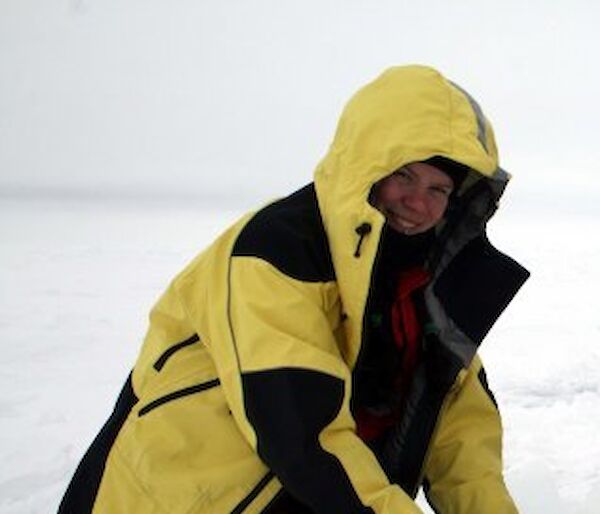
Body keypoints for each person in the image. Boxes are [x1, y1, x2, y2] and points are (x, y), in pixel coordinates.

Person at [58, 65, 529, 514]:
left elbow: (463, 446)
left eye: (438, 189)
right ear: (366, 165)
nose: (417, 202)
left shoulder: (427, 294)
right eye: (403, 175)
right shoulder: (273, 253)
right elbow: (304, 433)